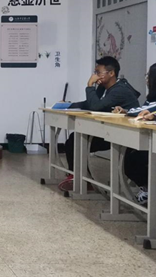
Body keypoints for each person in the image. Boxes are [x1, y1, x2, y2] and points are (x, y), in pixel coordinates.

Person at [60, 56, 140, 191]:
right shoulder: (105, 88)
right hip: (110, 131)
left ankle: (81, 178)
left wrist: (89, 86)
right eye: (95, 72)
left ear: (111, 73)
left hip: (124, 135)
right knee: (75, 139)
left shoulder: (119, 90)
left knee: (76, 141)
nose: (95, 76)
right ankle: (79, 177)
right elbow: (90, 103)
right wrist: (68, 105)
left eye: (98, 72)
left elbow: (95, 107)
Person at [116, 62, 156, 205]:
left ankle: (150, 190)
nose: (146, 79)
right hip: (151, 139)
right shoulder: (152, 98)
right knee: (130, 157)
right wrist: (127, 111)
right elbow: (143, 110)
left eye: (149, 76)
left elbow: (141, 111)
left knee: (133, 159)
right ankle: (147, 188)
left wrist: (130, 111)